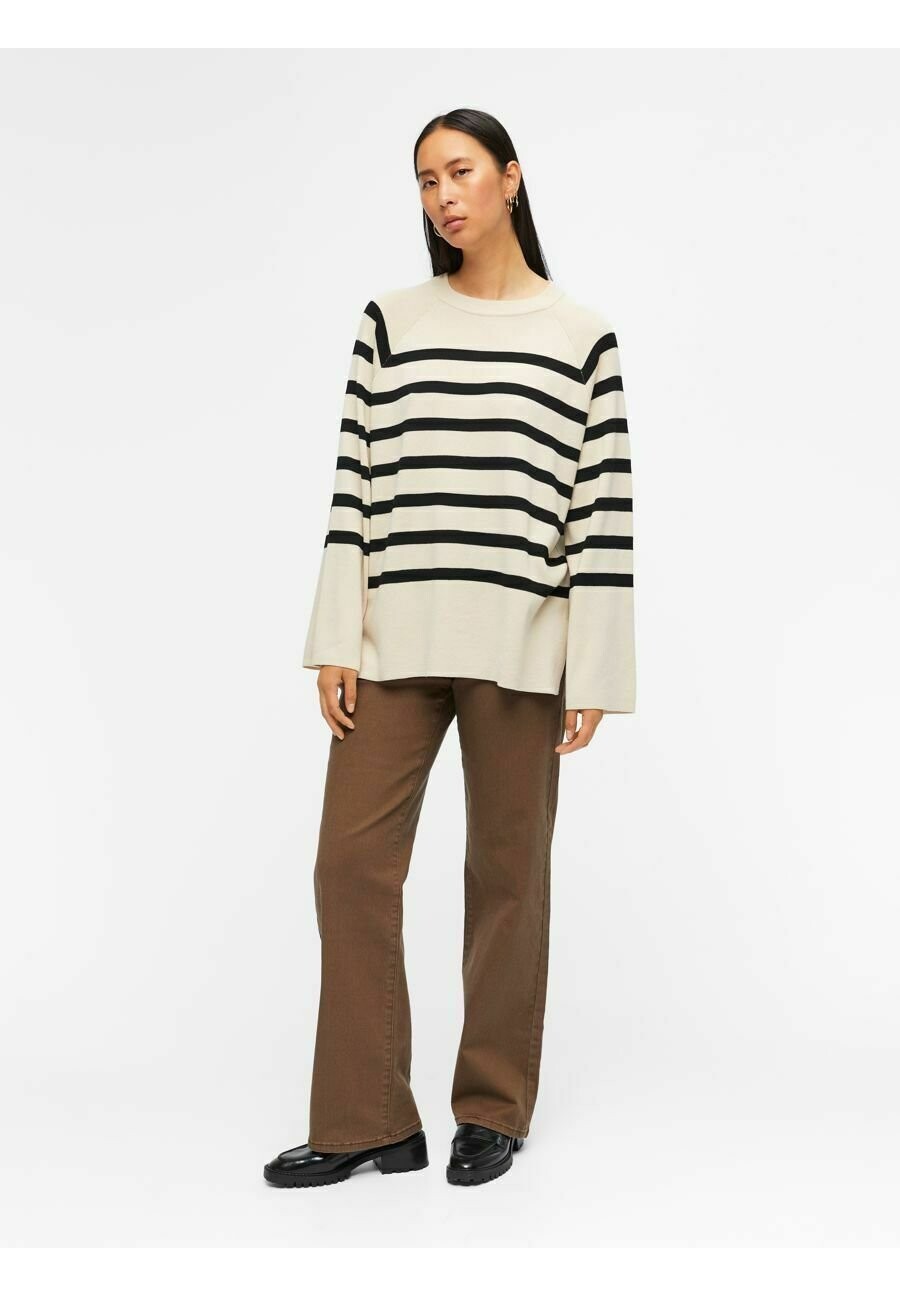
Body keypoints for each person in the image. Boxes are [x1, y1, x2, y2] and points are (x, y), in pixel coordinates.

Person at [264, 107, 636, 1190]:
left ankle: (493, 1108)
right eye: (425, 180)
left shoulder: (581, 336)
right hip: (394, 636)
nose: (442, 197)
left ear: (511, 179)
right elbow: (353, 484)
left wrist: (593, 666)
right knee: (350, 867)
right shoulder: (391, 321)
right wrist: (336, 635)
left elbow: (601, 512)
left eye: (460, 172)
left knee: (508, 875)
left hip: (523, 639)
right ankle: (367, 1118)